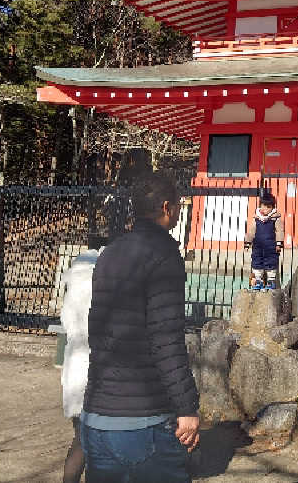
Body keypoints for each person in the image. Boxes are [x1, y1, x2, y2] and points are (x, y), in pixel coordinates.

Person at [81, 171, 200, 483]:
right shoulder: (163, 254)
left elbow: (99, 329)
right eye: (177, 205)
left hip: (97, 412)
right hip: (143, 418)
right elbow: (166, 339)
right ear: (166, 207)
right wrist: (187, 407)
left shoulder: (110, 253)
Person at [60, 236, 105, 483]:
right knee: (94, 444)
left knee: (82, 438)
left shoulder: (75, 286)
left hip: (74, 369)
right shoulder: (101, 285)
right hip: (96, 371)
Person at [243, 190, 284, 290]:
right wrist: (248, 242)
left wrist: (279, 244)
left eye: (268, 207)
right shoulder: (257, 219)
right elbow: (252, 231)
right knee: (257, 262)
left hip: (271, 246)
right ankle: (258, 281)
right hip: (257, 246)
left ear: (272, 208)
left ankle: (271, 281)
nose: (265, 209)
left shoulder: (275, 218)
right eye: (263, 206)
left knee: (271, 262)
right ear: (260, 206)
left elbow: (279, 231)